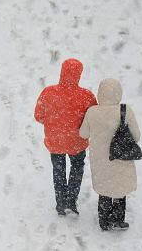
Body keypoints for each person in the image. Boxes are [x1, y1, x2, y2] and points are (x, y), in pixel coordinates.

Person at [34, 58, 97, 216]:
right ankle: (71, 200)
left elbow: (38, 116)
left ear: (62, 72)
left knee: (58, 170)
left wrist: (54, 123)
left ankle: (61, 202)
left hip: (56, 141)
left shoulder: (48, 93)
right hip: (76, 141)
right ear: (79, 74)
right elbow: (92, 119)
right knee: (77, 168)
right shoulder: (86, 96)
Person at [78, 78, 142, 230]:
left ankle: (104, 221)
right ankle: (118, 220)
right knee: (120, 189)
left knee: (104, 189)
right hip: (120, 156)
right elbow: (137, 136)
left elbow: (83, 133)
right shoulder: (125, 111)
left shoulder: (92, 112)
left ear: (100, 93)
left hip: (101, 159)